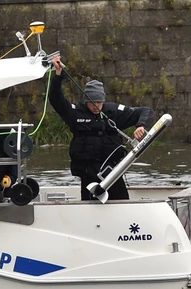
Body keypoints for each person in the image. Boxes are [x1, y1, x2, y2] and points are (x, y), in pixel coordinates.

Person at [48, 55, 155, 201]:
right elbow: (55, 99)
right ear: (86, 101)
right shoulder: (75, 113)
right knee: (89, 204)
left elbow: (146, 111)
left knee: (122, 202)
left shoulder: (114, 112)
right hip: (88, 173)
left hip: (113, 172)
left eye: (99, 102)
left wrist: (141, 125)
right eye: (93, 102)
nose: (96, 106)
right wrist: (58, 74)